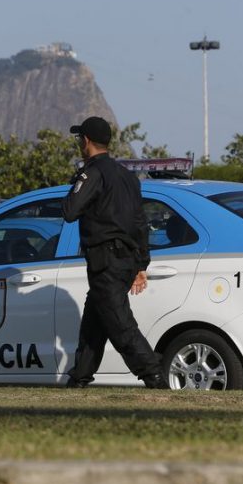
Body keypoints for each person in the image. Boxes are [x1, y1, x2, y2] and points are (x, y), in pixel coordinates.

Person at [61, 118, 169, 389]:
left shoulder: (93, 173)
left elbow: (70, 211)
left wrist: (77, 182)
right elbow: (139, 223)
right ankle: (79, 378)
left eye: (79, 139)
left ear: (86, 141)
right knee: (94, 323)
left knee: (120, 325)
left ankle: (154, 375)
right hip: (125, 259)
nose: (79, 144)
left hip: (105, 261)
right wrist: (142, 263)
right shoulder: (127, 176)